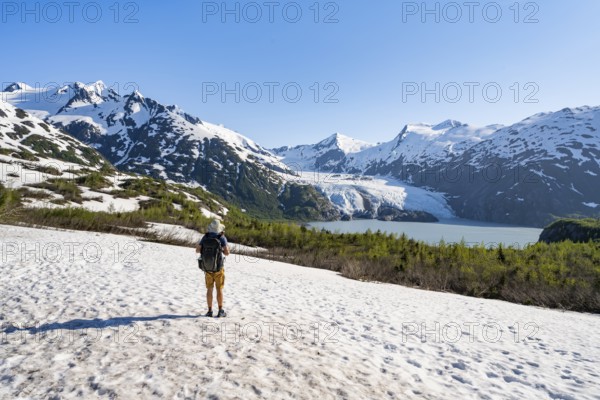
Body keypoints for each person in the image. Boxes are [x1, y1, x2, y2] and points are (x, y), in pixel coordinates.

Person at [196, 219, 230, 318]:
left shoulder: (205, 236)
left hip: (207, 268)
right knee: (219, 289)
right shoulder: (221, 237)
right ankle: (220, 311)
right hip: (219, 267)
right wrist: (224, 249)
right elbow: (227, 253)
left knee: (209, 289)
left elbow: (197, 250)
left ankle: (210, 311)